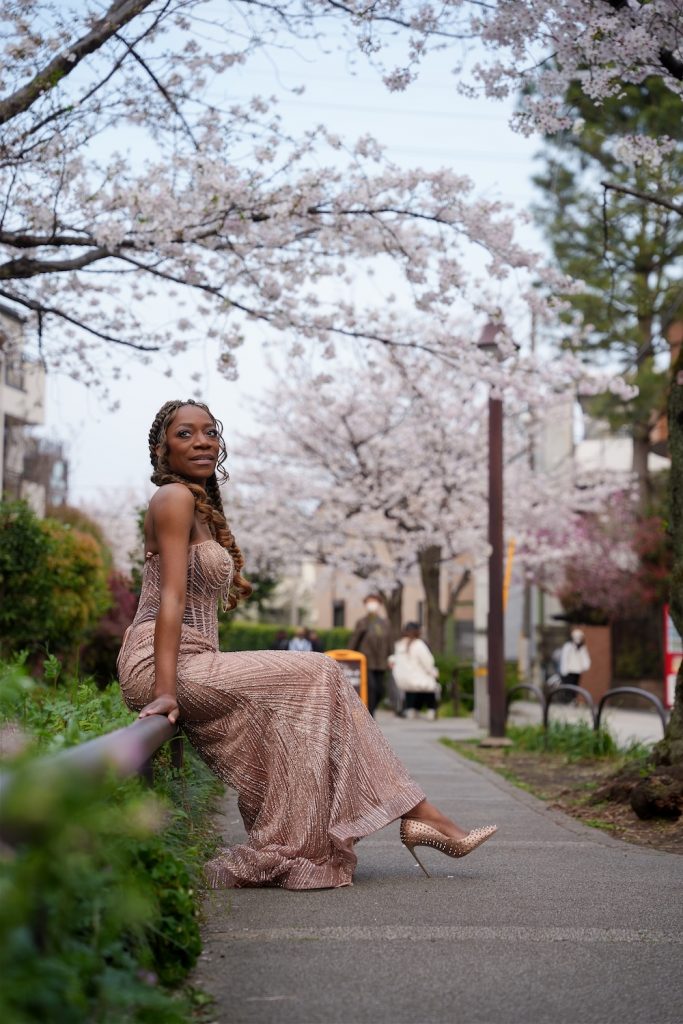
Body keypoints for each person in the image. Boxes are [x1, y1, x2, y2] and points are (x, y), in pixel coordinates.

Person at [117, 400, 496, 889]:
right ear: (161, 448)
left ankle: (408, 814)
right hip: (158, 664)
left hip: (193, 661)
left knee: (312, 693)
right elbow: (169, 599)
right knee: (318, 670)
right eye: (185, 434)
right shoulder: (172, 499)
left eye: (210, 432)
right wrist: (165, 692)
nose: (203, 441)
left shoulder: (198, 507)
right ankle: (419, 813)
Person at [349, 594, 393, 716]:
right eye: (369, 602)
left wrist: (391, 657)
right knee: (371, 688)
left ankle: (372, 710)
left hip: (381, 661)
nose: (372, 604)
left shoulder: (385, 623)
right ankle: (370, 714)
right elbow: (354, 641)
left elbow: (389, 641)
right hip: (366, 661)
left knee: (380, 689)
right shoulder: (362, 622)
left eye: (374, 601)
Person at [389, 623, 440, 721]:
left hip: (403, 680)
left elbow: (393, 659)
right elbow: (428, 662)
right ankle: (431, 710)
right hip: (419, 679)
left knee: (413, 688)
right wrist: (434, 673)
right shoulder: (419, 645)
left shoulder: (399, 644)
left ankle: (411, 709)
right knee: (429, 686)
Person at [559, 628, 591, 702]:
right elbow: (564, 658)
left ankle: (573, 699)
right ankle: (567, 699)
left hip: (577, 670)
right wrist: (564, 669)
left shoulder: (582, 648)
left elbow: (585, 658)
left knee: (576, 685)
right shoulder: (568, 646)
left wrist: (586, 666)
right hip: (569, 670)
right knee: (569, 685)